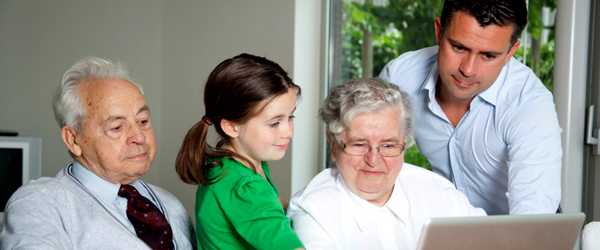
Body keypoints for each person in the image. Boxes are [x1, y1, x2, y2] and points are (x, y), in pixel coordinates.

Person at [379, 0, 561, 215]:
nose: (468, 69)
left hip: (515, 232)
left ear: (511, 52)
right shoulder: (401, 78)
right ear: (439, 31)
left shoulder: (529, 105)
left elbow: (533, 218)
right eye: (458, 47)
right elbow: (363, 155)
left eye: (488, 56)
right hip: (450, 227)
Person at [0, 57, 195, 249]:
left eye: (143, 121)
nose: (139, 137)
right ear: (73, 139)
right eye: (117, 127)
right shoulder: (40, 204)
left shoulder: (171, 205)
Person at [287, 78, 485, 250]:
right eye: (359, 144)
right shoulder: (312, 210)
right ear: (333, 144)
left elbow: (494, 239)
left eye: (388, 145)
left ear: (404, 143)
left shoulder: (437, 191)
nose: (373, 160)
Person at [175, 53, 304, 250]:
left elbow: (271, 206)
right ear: (232, 127)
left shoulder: (230, 166)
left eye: (291, 117)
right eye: (275, 123)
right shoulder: (246, 187)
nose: (288, 131)